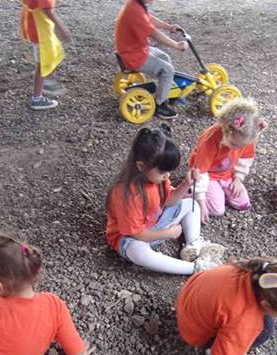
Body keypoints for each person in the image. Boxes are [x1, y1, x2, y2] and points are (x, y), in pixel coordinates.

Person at [106, 126, 225, 275]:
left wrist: (186, 184)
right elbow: (136, 234)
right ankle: (194, 268)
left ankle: (193, 245)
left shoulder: (158, 179)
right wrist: (167, 233)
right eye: (163, 171)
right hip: (130, 238)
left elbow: (168, 201)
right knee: (138, 251)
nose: (167, 175)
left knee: (191, 204)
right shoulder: (126, 194)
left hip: (155, 223)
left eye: (169, 171)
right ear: (141, 166)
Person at [189, 97, 266, 223]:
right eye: (234, 144)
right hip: (208, 174)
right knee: (217, 210)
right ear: (226, 130)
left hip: (227, 173)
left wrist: (238, 178)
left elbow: (245, 157)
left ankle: (218, 191)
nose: (237, 149)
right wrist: (200, 201)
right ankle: (190, 193)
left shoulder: (247, 135)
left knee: (243, 204)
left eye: (241, 146)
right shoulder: (210, 140)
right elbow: (200, 171)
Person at [114, 0, 188, 120]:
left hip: (135, 49)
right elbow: (155, 34)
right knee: (168, 70)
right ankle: (160, 105)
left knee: (165, 58)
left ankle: (165, 91)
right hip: (132, 55)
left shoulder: (136, 4)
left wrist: (168, 27)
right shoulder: (134, 10)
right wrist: (176, 45)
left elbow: (149, 19)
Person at [21, 0, 72, 110]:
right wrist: (62, 28)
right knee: (43, 62)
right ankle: (37, 98)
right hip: (40, 30)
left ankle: (45, 80)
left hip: (35, 25)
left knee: (47, 57)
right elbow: (47, 9)